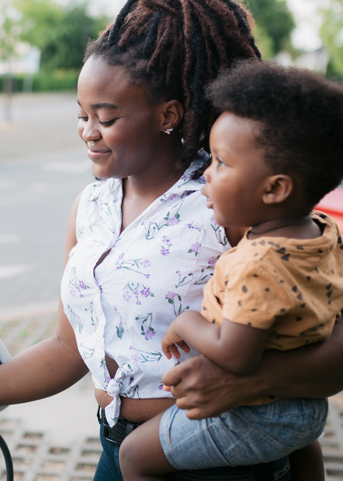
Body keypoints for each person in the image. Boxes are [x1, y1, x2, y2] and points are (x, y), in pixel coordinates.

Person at [0, 1, 343, 479]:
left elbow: (327, 333)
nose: (89, 132)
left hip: (224, 459)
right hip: (118, 450)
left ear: (167, 113)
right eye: (81, 114)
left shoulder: (231, 202)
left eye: (106, 117)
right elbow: (67, 351)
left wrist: (250, 382)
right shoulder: (90, 208)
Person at [118, 62, 343, 481]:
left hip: (257, 414)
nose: (207, 172)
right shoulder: (321, 234)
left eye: (221, 163)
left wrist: (187, 322)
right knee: (302, 449)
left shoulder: (257, 263)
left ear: (275, 188)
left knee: (133, 457)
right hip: (309, 410)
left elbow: (237, 356)